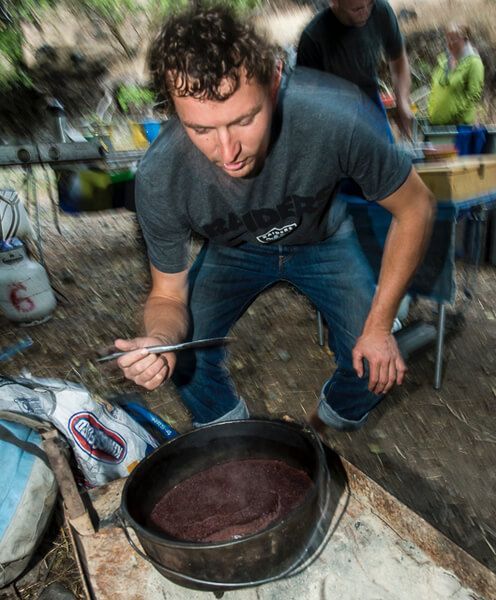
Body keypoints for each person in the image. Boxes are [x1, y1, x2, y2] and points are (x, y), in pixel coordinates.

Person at [113, 5, 434, 433]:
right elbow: (168, 296)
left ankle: (327, 423)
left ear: (275, 80)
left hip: (324, 237)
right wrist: (159, 341)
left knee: (374, 363)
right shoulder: (160, 176)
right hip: (234, 250)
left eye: (244, 120)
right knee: (185, 360)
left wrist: (379, 326)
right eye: (201, 130)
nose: (228, 152)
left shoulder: (337, 116)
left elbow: (416, 207)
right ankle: (235, 435)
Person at [296, 0, 413, 139]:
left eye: (370, 4)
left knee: (387, 157)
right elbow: (305, 102)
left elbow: (398, 59)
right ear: (334, 2)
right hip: (334, 115)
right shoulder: (313, 38)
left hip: (371, 103)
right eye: (357, 9)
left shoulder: (381, 10)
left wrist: (402, 102)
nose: (365, 12)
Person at [428, 23, 484, 126]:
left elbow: (473, 96)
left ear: (465, 39)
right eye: (447, 39)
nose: (449, 43)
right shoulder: (443, 61)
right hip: (437, 128)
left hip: (459, 129)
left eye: (453, 39)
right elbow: (435, 90)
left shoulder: (474, 63)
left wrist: (454, 117)